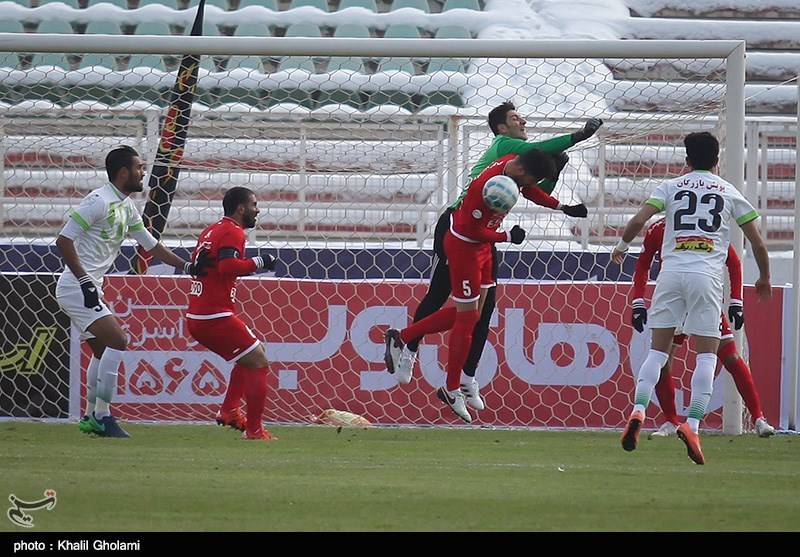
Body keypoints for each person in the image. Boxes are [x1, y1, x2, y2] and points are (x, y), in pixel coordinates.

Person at [391, 101, 602, 413]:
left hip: (483, 236)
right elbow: (535, 161)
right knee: (439, 295)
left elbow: (532, 187)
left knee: (482, 311)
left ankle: (466, 376)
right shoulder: (504, 147)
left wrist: (561, 202)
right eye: (515, 117)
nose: (523, 121)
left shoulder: (516, 166)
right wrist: (578, 136)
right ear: (502, 127)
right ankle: (407, 348)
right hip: (460, 228)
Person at [611, 131, 772, 465]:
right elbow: (756, 242)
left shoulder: (671, 187)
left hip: (670, 275)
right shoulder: (728, 191)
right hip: (706, 278)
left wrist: (622, 246)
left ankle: (638, 410)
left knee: (657, 353)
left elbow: (640, 219)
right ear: (716, 161)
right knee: (708, 356)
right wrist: (764, 277)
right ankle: (693, 424)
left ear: (686, 160)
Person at [385, 148, 557, 423]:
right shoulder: (482, 188)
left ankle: (405, 338)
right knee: (461, 315)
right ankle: (450, 386)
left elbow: (534, 180)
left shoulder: (511, 163)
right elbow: (472, 230)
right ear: (523, 171)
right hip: (464, 246)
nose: (530, 186)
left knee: (475, 315)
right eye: (532, 180)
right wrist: (507, 237)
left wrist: (560, 205)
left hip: (483, 249)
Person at [56, 145, 201, 438]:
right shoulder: (98, 201)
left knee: (102, 350)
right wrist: (84, 281)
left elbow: (151, 245)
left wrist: (187, 266)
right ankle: (103, 416)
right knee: (118, 340)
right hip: (76, 287)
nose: (143, 172)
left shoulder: (126, 206)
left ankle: (90, 416)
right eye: (138, 168)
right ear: (123, 172)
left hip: (88, 286)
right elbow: (63, 240)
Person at [630, 218, 775, 439]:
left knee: (730, 357)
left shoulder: (705, 224)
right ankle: (671, 422)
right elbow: (643, 264)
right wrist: (638, 300)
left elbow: (733, 262)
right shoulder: (658, 228)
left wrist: (736, 300)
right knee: (664, 362)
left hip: (702, 297)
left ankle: (758, 419)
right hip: (678, 299)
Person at [185, 186, 278, 441]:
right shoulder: (232, 231)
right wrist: (261, 262)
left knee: (251, 355)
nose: (257, 210)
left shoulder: (211, 230)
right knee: (259, 362)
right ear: (241, 208)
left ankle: (229, 411)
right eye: (254, 205)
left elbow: (207, 266)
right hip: (213, 315)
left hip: (201, 313)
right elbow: (228, 266)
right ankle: (254, 431)